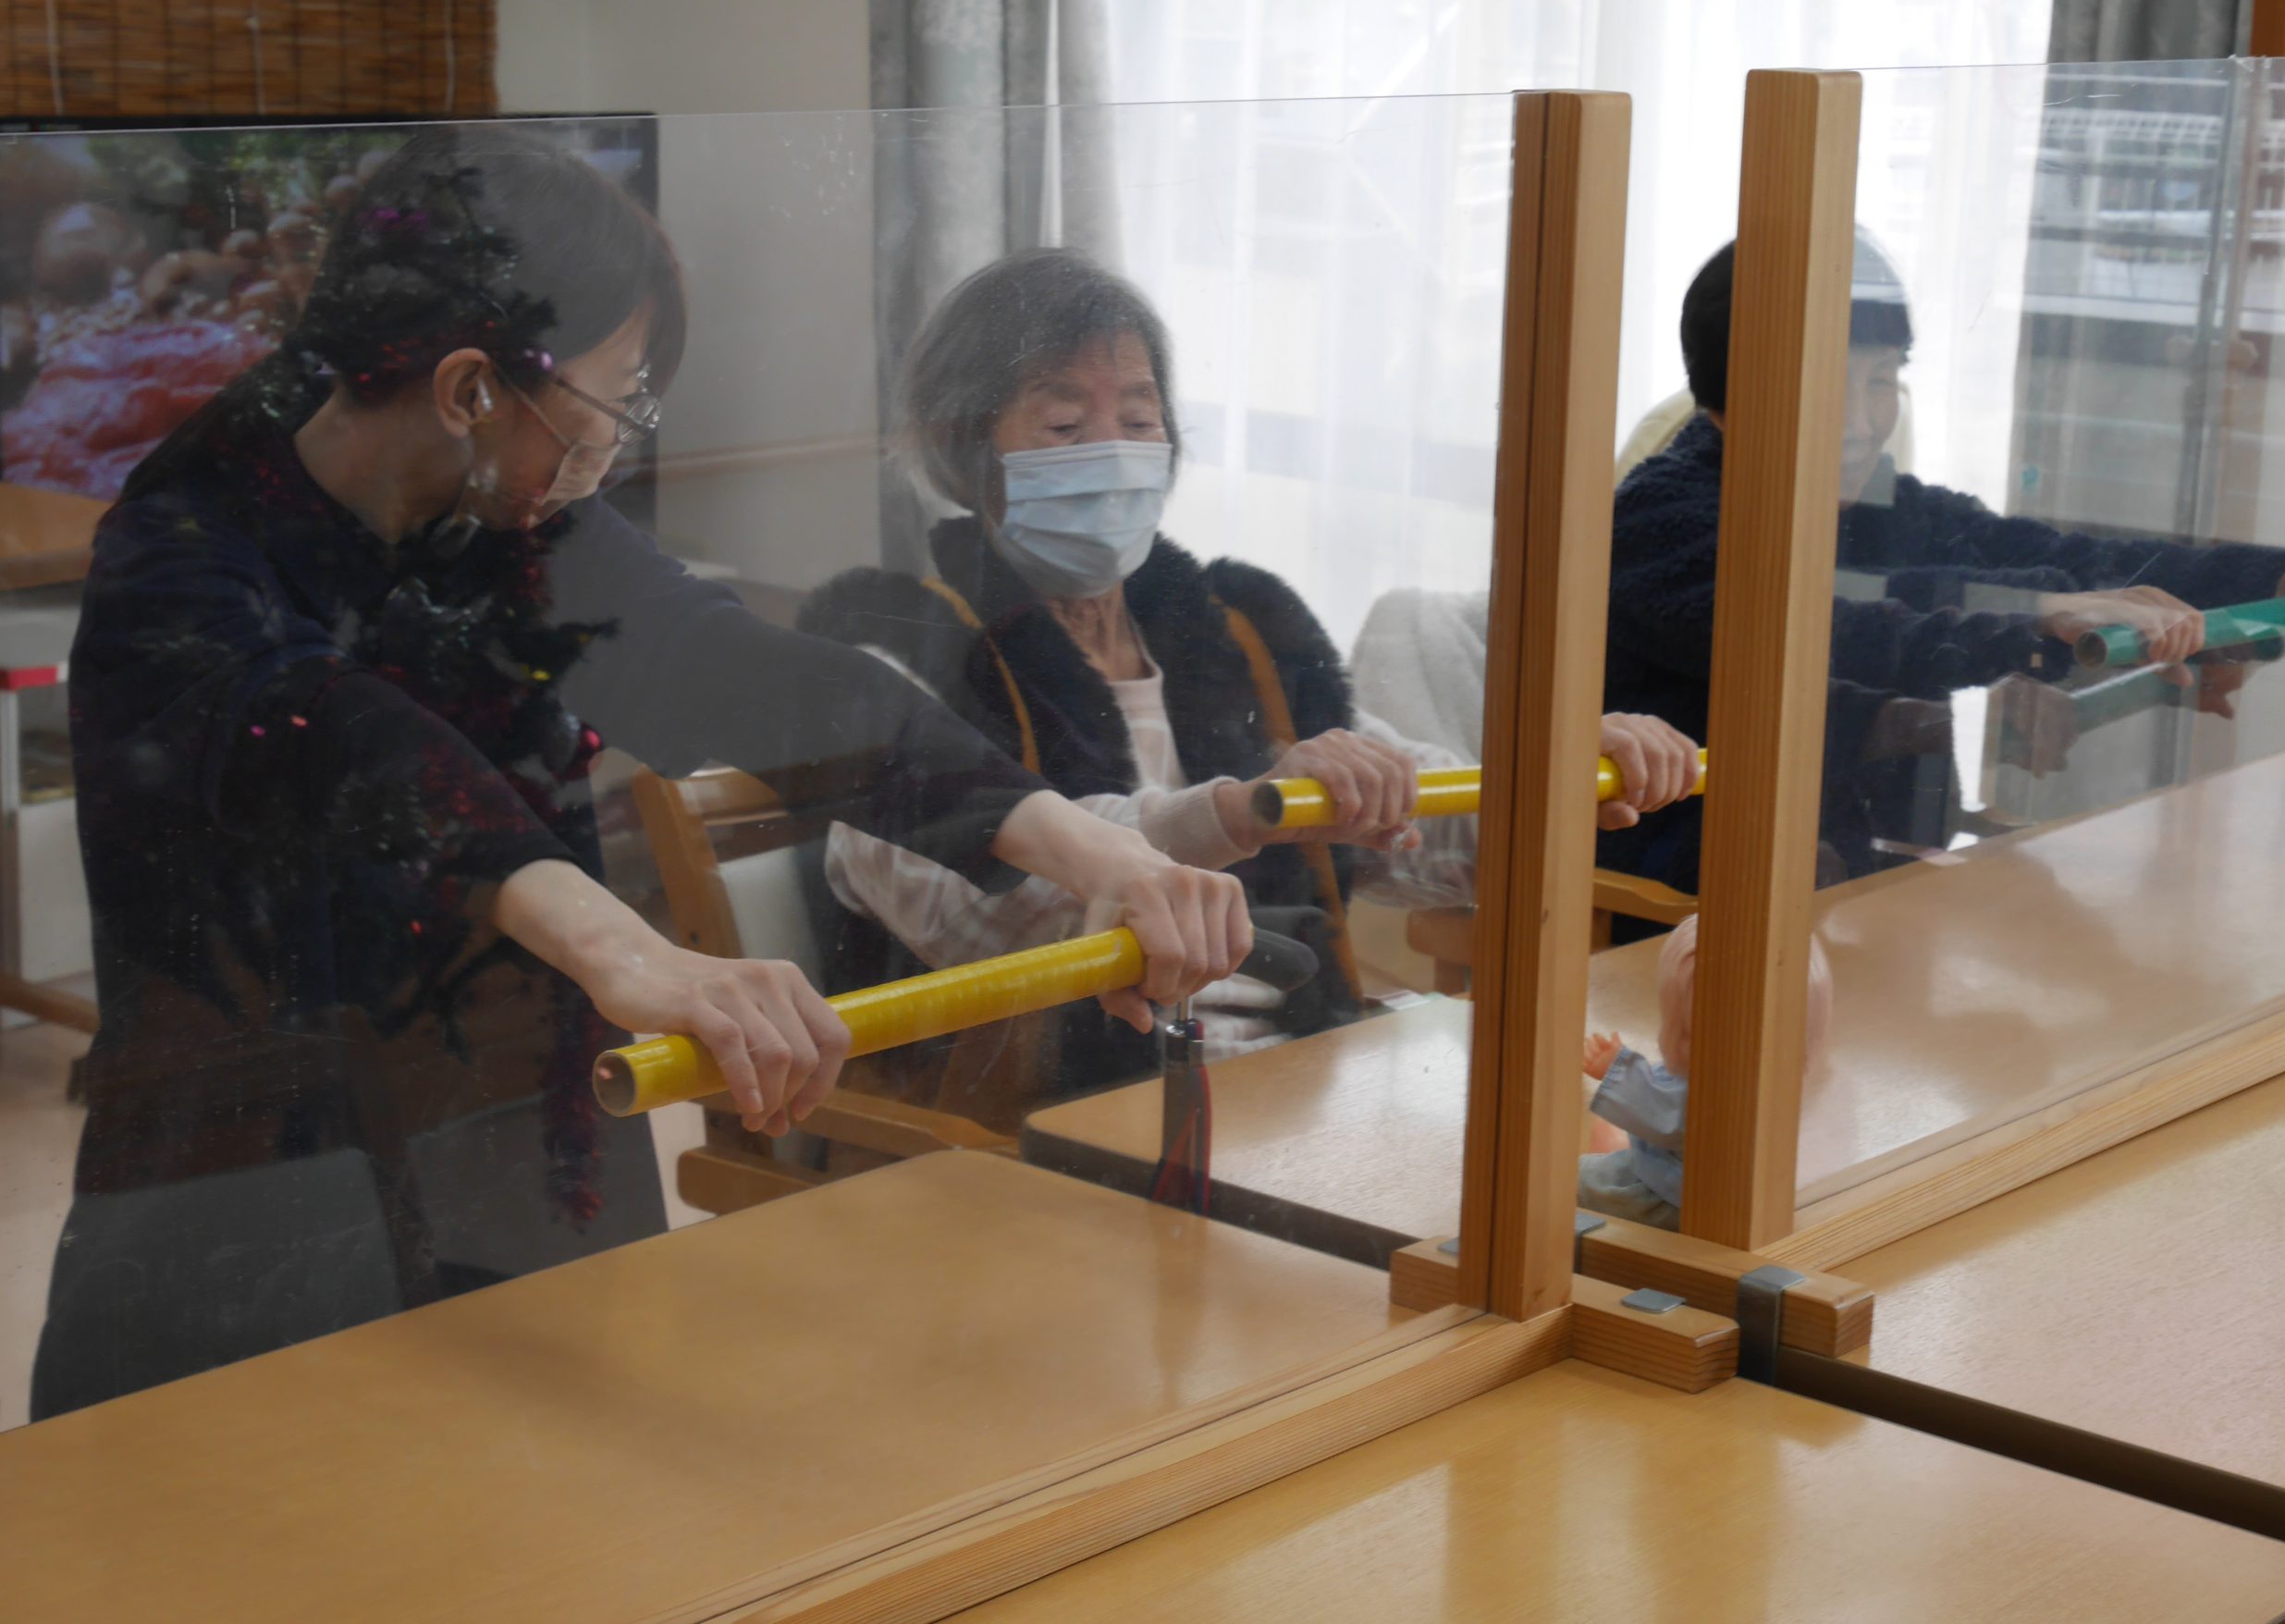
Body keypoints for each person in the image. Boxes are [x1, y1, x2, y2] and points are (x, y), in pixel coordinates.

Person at [33, 129, 1249, 1420]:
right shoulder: (185, 543)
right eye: (615, 401)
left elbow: (740, 668)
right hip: (264, 1165)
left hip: (519, 1127)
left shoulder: (500, 505)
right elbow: (354, 748)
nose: (615, 449)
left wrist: (1091, 846)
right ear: (469, 389)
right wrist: (631, 952)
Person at [798, 248, 1701, 1089]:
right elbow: (994, 913)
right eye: (1066, 423)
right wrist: (1242, 812)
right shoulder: (900, 658)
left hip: (1302, 1074)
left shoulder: (1233, 633)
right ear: (967, 446)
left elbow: (1414, 819)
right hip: (1063, 1115)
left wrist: (1559, 780)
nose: (1113, 453)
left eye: (1139, 421)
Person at [1598, 233, 2285, 896]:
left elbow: (2063, 558)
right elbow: (1840, 629)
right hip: (1687, 920)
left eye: (1881, 380)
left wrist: (2273, 579)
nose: (1861, 423)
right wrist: (2038, 618)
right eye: (1828, 385)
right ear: (1733, 390)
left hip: (1872, 894)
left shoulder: (1885, 507)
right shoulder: (1655, 519)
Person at [1578, 914, 1833, 1229]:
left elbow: (1665, 1118)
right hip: (1714, 1183)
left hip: (1668, 1198)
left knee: (1573, 1181)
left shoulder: (1708, 1091)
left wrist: (1616, 1070)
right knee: (1609, 1133)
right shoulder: (1771, 1079)